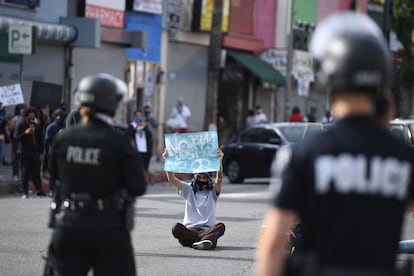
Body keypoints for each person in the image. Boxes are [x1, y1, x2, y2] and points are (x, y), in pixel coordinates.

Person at [256, 12, 414, 276]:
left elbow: (272, 245)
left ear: (329, 83)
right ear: (382, 88)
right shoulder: (402, 158)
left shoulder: (303, 155)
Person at [44, 73, 147, 276]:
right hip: (108, 227)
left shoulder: (63, 140)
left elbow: (53, 177)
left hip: (68, 224)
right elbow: (138, 186)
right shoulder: (119, 142)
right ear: (112, 104)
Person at [162, 148, 226, 250]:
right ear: (195, 178)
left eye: (204, 178)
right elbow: (171, 178)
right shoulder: (188, 189)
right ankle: (202, 242)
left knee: (220, 226)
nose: (202, 180)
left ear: (208, 180)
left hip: (206, 231)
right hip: (190, 230)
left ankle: (204, 241)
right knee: (176, 227)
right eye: (199, 177)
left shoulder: (213, 192)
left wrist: (219, 160)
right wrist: (168, 160)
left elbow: (220, 179)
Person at [16, 106, 46, 198]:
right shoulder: (21, 125)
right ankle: (25, 191)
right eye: (30, 116)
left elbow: (41, 141)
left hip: (35, 153)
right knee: (25, 172)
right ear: (26, 117)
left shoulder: (37, 127)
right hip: (24, 152)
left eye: (33, 116)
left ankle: (39, 190)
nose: (32, 118)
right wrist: (25, 133)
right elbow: (17, 138)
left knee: (36, 172)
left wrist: (41, 153)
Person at [43, 108, 65, 189]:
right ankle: (52, 189)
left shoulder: (65, 126)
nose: (59, 117)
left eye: (61, 115)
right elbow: (48, 139)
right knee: (53, 172)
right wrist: (57, 135)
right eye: (57, 115)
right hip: (52, 153)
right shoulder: (51, 127)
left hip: (62, 153)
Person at [126, 109, 153, 174]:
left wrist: (145, 127)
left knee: (144, 167)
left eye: (140, 116)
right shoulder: (132, 126)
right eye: (137, 116)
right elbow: (128, 135)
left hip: (144, 150)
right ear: (134, 117)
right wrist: (136, 127)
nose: (138, 117)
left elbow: (149, 135)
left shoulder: (143, 126)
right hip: (136, 150)